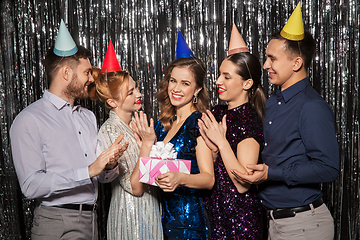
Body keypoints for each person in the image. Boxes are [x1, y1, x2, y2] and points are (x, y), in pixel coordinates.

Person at [10, 20, 127, 240]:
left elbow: (99, 176)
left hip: (91, 220)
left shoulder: (88, 117)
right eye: (87, 73)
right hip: (55, 222)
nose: (92, 79)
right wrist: (89, 170)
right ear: (66, 73)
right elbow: (31, 186)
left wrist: (109, 164)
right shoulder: (29, 119)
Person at [232, 3, 339, 239]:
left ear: (296, 63)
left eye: (272, 58)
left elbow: (328, 168)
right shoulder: (272, 102)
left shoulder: (311, 106)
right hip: (272, 221)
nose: (266, 65)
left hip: (303, 224)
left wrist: (272, 173)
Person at [88, 40, 163, 240]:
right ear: (112, 102)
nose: (139, 94)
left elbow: (153, 175)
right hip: (131, 216)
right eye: (131, 92)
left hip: (152, 208)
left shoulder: (138, 123)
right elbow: (136, 188)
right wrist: (147, 144)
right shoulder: (111, 130)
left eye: (136, 88)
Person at [198, 24, 266, 239]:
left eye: (227, 77)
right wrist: (215, 152)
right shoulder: (216, 112)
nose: (218, 81)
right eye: (220, 74)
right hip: (215, 216)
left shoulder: (249, 120)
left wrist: (221, 142)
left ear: (247, 83)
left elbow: (242, 183)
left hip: (240, 221)